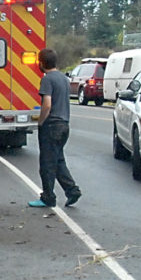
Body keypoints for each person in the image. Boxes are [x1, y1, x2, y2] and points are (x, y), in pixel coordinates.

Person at [28, 48, 81, 208]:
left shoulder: (47, 79)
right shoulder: (64, 79)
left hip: (51, 125)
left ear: (42, 63)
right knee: (58, 160)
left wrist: (41, 121)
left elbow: (47, 104)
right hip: (64, 125)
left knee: (47, 164)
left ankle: (48, 197)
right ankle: (72, 191)